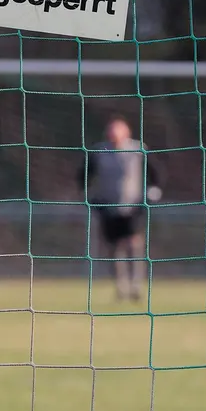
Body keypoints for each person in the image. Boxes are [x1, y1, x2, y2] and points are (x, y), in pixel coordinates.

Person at [82, 114, 161, 301]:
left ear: (126, 132)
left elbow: (154, 172)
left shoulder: (138, 150)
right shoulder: (99, 152)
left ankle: (136, 286)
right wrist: (88, 195)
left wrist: (154, 190)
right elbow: (84, 174)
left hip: (133, 206)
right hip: (108, 207)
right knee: (114, 248)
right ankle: (121, 286)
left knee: (134, 244)